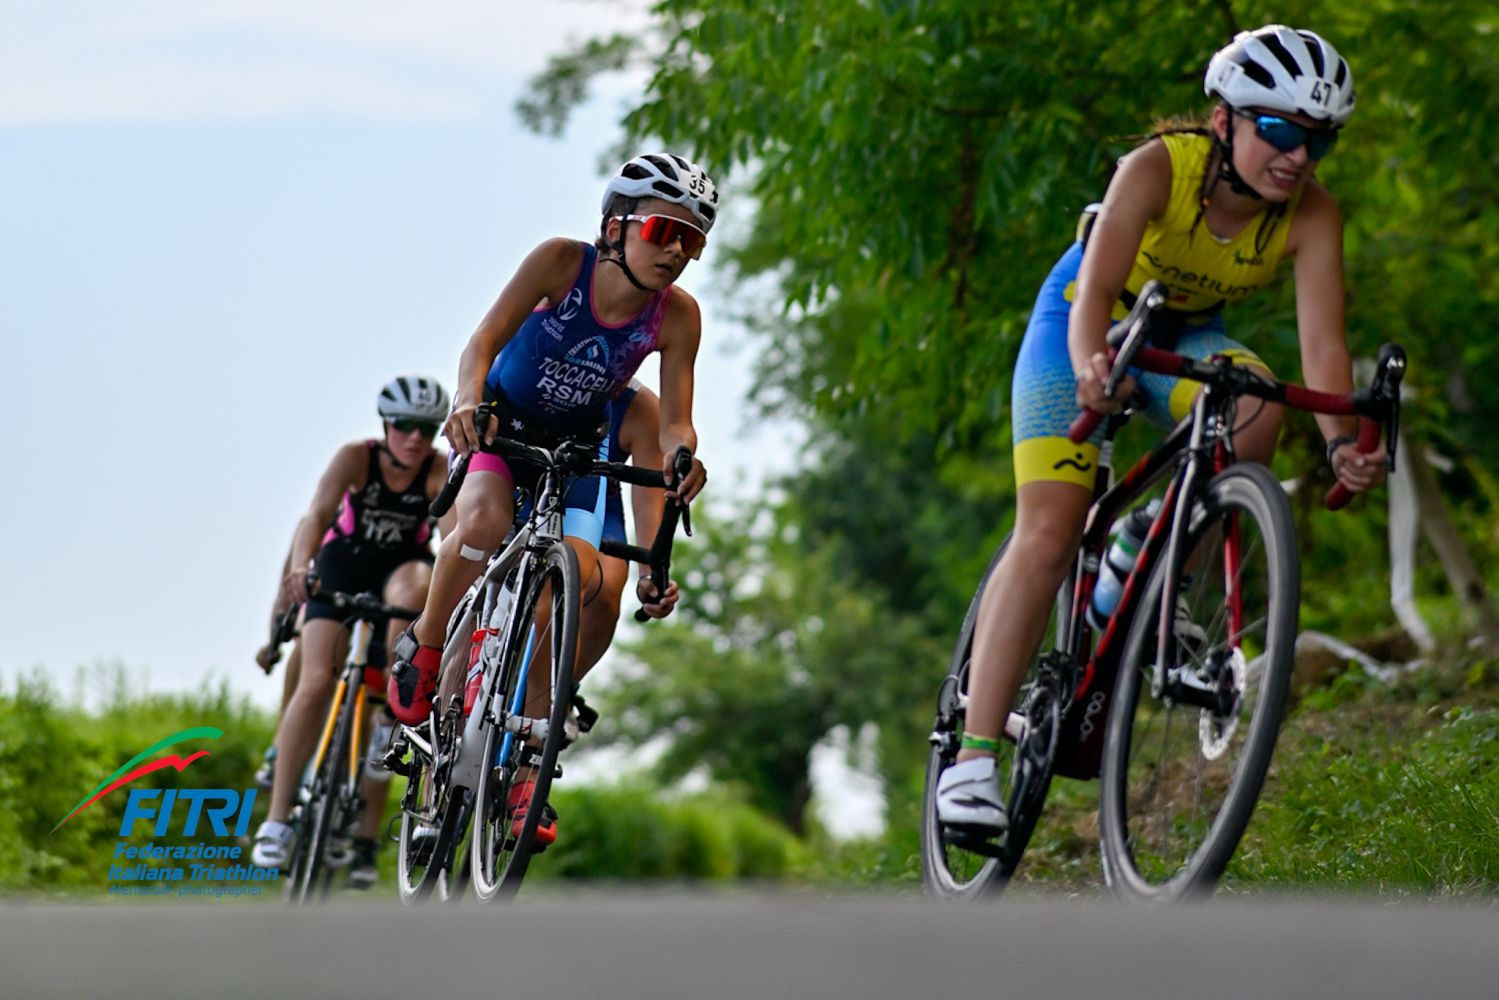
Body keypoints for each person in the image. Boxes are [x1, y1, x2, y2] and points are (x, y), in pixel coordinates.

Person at [936, 26, 1387, 833]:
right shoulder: (1155, 168)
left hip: (1182, 336)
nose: (1296, 157)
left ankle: (1147, 549)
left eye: (1317, 141)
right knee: (1049, 531)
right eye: (1277, 130)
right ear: (1223, 121)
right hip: (1081, 321)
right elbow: (1095, 287)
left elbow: (1323, 348)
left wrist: (1340, 444)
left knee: (1258, 405)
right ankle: (970, 763)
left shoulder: (1313, 214)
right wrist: (1089, 367)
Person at [386, 154, 713, 848]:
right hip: (502, 424)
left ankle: (529, 755)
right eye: (664, 230)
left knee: (587, 579)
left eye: (693, 240)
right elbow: (484, 340)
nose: (677, 251)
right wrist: (467, 400)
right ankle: (426, 644)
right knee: (482, 521)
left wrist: (684, 456)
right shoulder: (562, 263)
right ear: (615, 227)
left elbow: (674, 423)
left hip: (578, 446)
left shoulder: (678, 315)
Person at [251, 375, 452, 878]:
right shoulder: (356, 458)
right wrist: (301, 569)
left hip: (400, 574)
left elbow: (450, 535)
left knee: (420, 584)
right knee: (317, 679)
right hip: (343, 564)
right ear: (385, 425)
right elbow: (317, 514)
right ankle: (276, 821)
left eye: (426, 429)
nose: (414, 438)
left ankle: (389, 709)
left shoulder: (437, 468)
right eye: (403, 426)